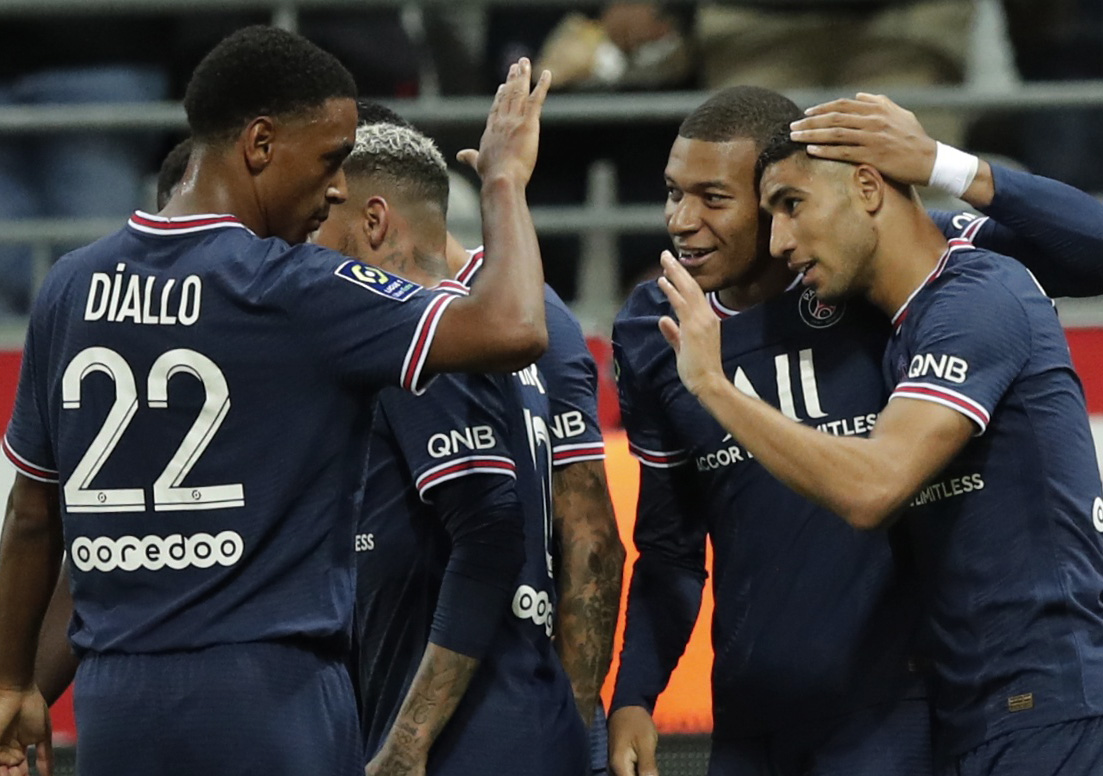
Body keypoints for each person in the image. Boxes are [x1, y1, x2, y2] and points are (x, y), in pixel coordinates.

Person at [0, 25, 552, 776]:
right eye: (329, 160)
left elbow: (35, 521)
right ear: (260, 144)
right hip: (270, 697)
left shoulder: (69, 285)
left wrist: (12, 683)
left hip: (114, 705)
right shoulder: (295, 289)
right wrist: (502, 183)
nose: (335, 189)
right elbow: (514, 325)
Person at [608, 86, 1103, 776]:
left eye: (715, 198)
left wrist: (944, 165)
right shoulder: (652, 328)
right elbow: (669, 544)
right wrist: (633, 692)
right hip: (762, 715)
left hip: (920, 709)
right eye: (670, 193)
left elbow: (1092, 249)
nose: (681, 221)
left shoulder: (927, 277)